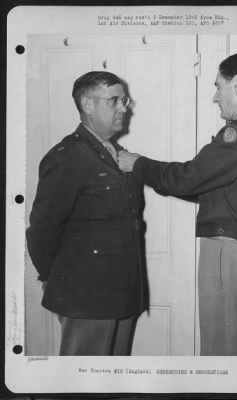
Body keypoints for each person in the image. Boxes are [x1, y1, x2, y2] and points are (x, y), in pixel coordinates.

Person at [117, 52, 237, 356]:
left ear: (236, 84)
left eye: (218, 86)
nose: (215, 96)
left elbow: (188, 177)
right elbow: (211, 187)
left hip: (229, 255)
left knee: (224, 357)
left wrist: (138, 164)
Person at [26, 71, 148, 356]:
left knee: (113, 382)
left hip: (122, 292)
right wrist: (54, 277)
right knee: (82, 384)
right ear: (87, 104)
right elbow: (42, 229)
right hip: (86, 296)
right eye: (114, 100)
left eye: (124, 100)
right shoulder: (67, 157)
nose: (123, 108)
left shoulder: (116, 154)